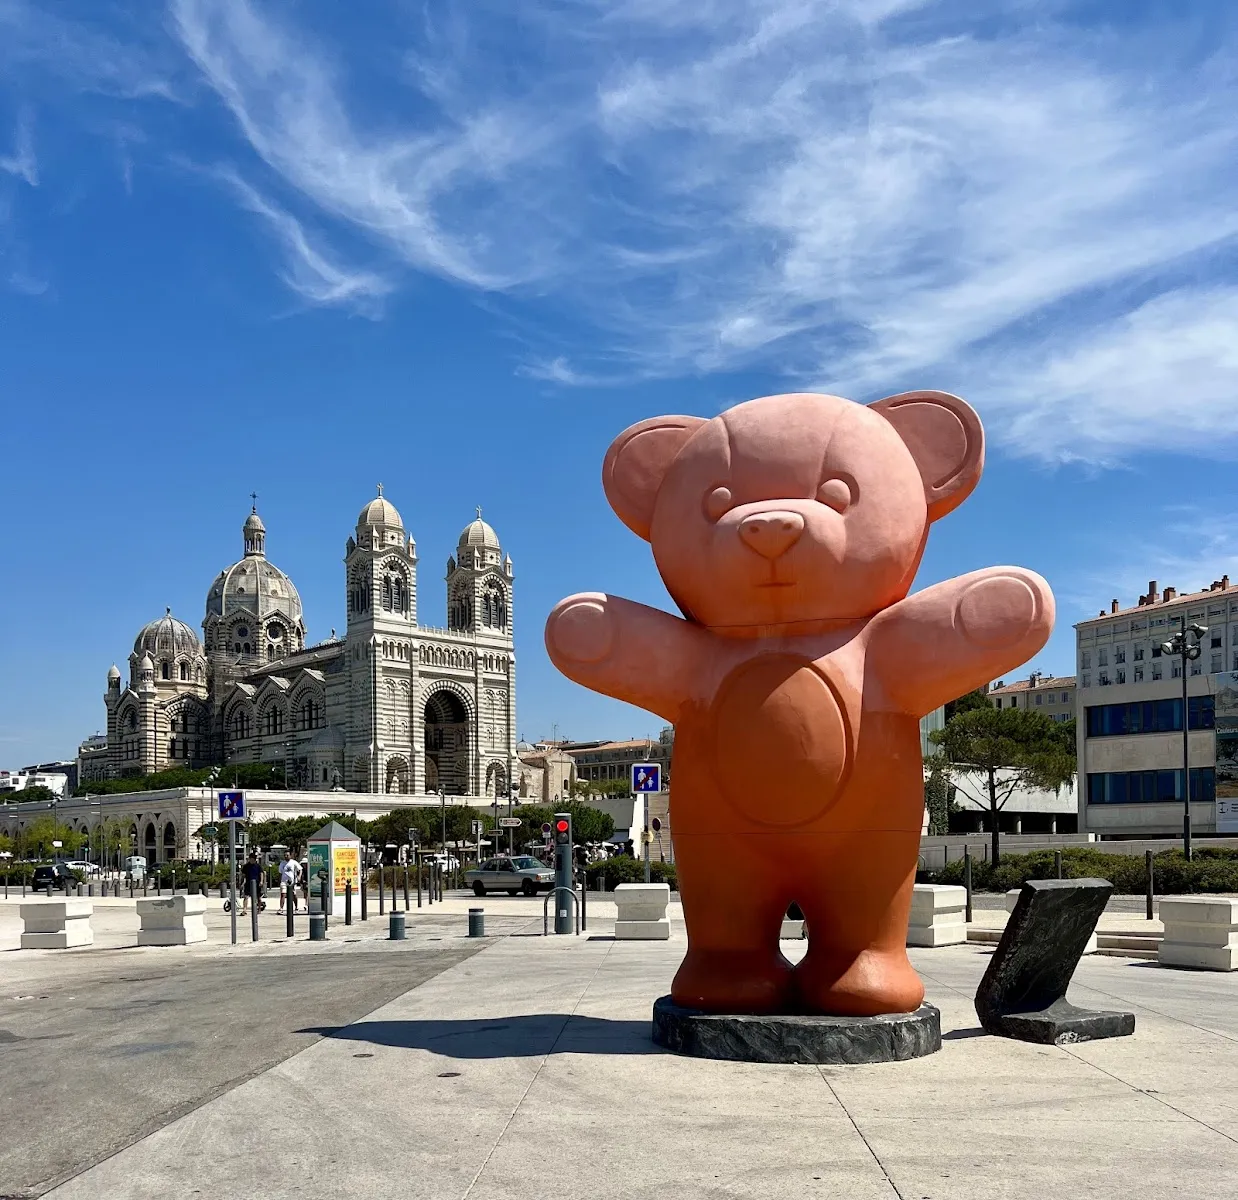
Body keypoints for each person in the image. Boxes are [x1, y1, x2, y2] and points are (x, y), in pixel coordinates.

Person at [278, 850, 301, 914]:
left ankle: (296, 907)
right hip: (284, 881)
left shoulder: (294, 862)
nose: (286, 856)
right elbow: (280, 872)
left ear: (290, 855)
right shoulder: (282, 863)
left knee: (293, 895)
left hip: (292, 881)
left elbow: (300, 869)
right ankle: (281, 908)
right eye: (285, 855)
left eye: (287, 855)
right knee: (283, 894)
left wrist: (299, 876)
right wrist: (280, 880)